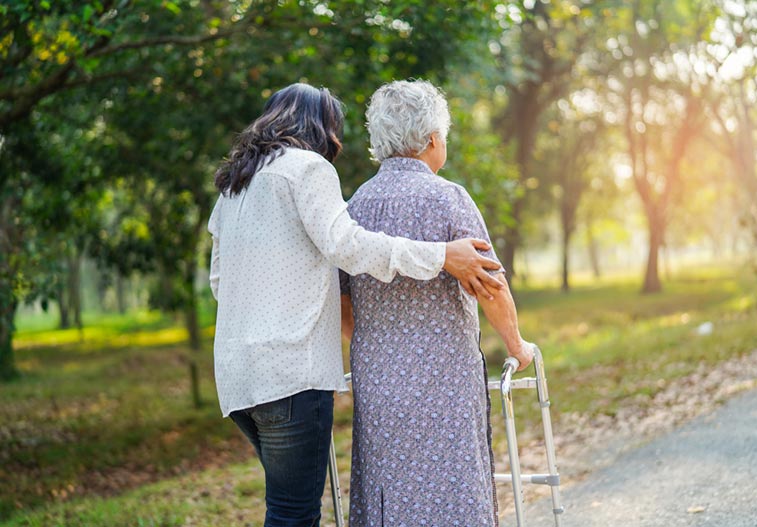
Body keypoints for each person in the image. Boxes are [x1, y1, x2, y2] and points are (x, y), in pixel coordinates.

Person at [207, 82, 504, 527]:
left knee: (284, 507)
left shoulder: (235, 185)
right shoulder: (307, 168)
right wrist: (442, 255)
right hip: (290, 374)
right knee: (294, 515)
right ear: (319, 127)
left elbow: (219, 282)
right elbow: (347, 246)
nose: (337, 143)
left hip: (236, 378)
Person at [340, 79, 534, 527]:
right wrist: (517, 345)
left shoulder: (353, 209)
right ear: (431, 140)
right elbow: (492, 286)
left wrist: (377, 342)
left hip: (378, 380)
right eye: (443, 135)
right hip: (445, 376)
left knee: (389, 489)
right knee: (454, 487)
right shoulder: (448, 198)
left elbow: (343, 301)